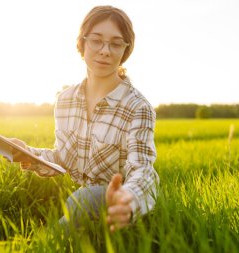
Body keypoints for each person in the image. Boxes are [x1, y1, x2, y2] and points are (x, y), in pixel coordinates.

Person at [11, 5, 159, 233]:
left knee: (84, 198)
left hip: (116, 202)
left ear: (124, 50)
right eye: (96, 40)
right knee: (83, 198)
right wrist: (28, 153)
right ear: (82, 43)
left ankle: (46, 244)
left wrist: (127, 198)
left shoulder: (138, 107)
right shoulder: (65, 100)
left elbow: (143, 169)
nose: (105, 50)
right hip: (84, 204)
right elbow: (63, 158)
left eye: (116, 43)